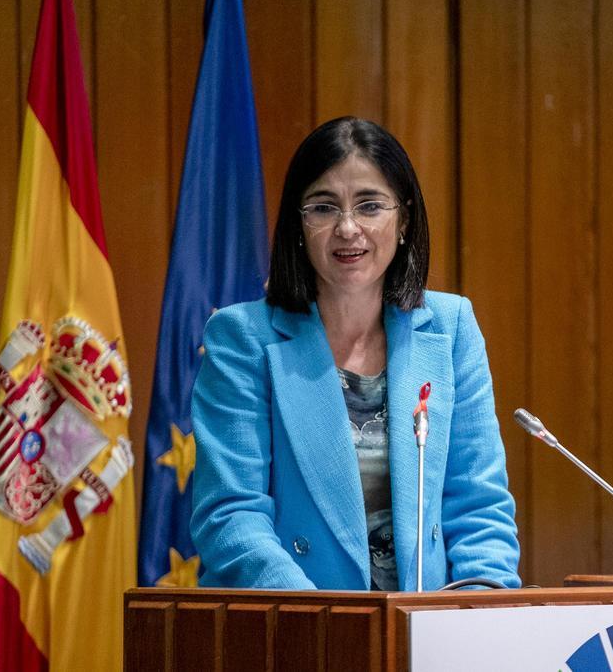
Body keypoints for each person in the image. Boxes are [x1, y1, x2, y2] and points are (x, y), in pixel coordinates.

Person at [189, 116, 521, 591]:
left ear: (403, 219)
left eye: (369, 206)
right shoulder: (242, 338)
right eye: (323, 208)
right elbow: (231, 515)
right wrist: (325, 625)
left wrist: (474, 614)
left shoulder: (451, 329)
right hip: (291, 630)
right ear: (298, 226)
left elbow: (478, 507)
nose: (348, 228)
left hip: (422, 639)